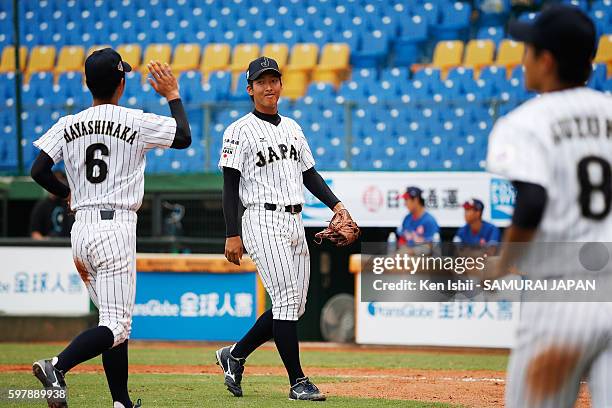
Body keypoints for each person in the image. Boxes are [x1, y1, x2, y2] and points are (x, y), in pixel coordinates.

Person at [30, 48, 191, 408]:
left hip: (81, 232)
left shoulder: (67, 123)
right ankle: (57, 366)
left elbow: (37, 170)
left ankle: (121, 402)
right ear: (121, 83)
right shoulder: (134, 120)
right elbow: (183, 136)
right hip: (114, 229)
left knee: (111, 324)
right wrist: (172, 95)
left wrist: (66, 193)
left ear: (88, 83)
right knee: (117, 327)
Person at [485, 5, 612, 407]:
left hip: (560, 294)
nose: (521, 59)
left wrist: (504, 264)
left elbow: (532, 201)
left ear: (546, 59)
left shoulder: (526, 123)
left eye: (527, 49)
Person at [216, 56, 355, 401]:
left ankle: (234, 355)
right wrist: (232, 234)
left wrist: (337, 206)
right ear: (250, 89)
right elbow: (229, 186)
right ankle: (297, 382)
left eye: (273, 80)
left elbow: (309, 173)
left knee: (294, 306)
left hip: (295, 220)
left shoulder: (293, 127)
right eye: (261, 81)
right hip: (260, 219)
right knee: (287, 300)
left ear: (280, 85)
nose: (268, 86)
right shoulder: (238, 130)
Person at [30, 171, 74, 239]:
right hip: (48, 245)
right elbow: (35, 232)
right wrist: (46, 242)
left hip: (69, 243)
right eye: (53, 184)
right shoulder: (42, 205)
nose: (55, 188)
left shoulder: (70, 203)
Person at [396, 186, 440, 254]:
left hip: (423, 259)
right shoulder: (407, 218)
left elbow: (431, 247)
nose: (405, 204)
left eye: (406, 200)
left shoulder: (429, 220)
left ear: (416, 200)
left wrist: (412, 251)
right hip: (407, 256)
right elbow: (402, 240)